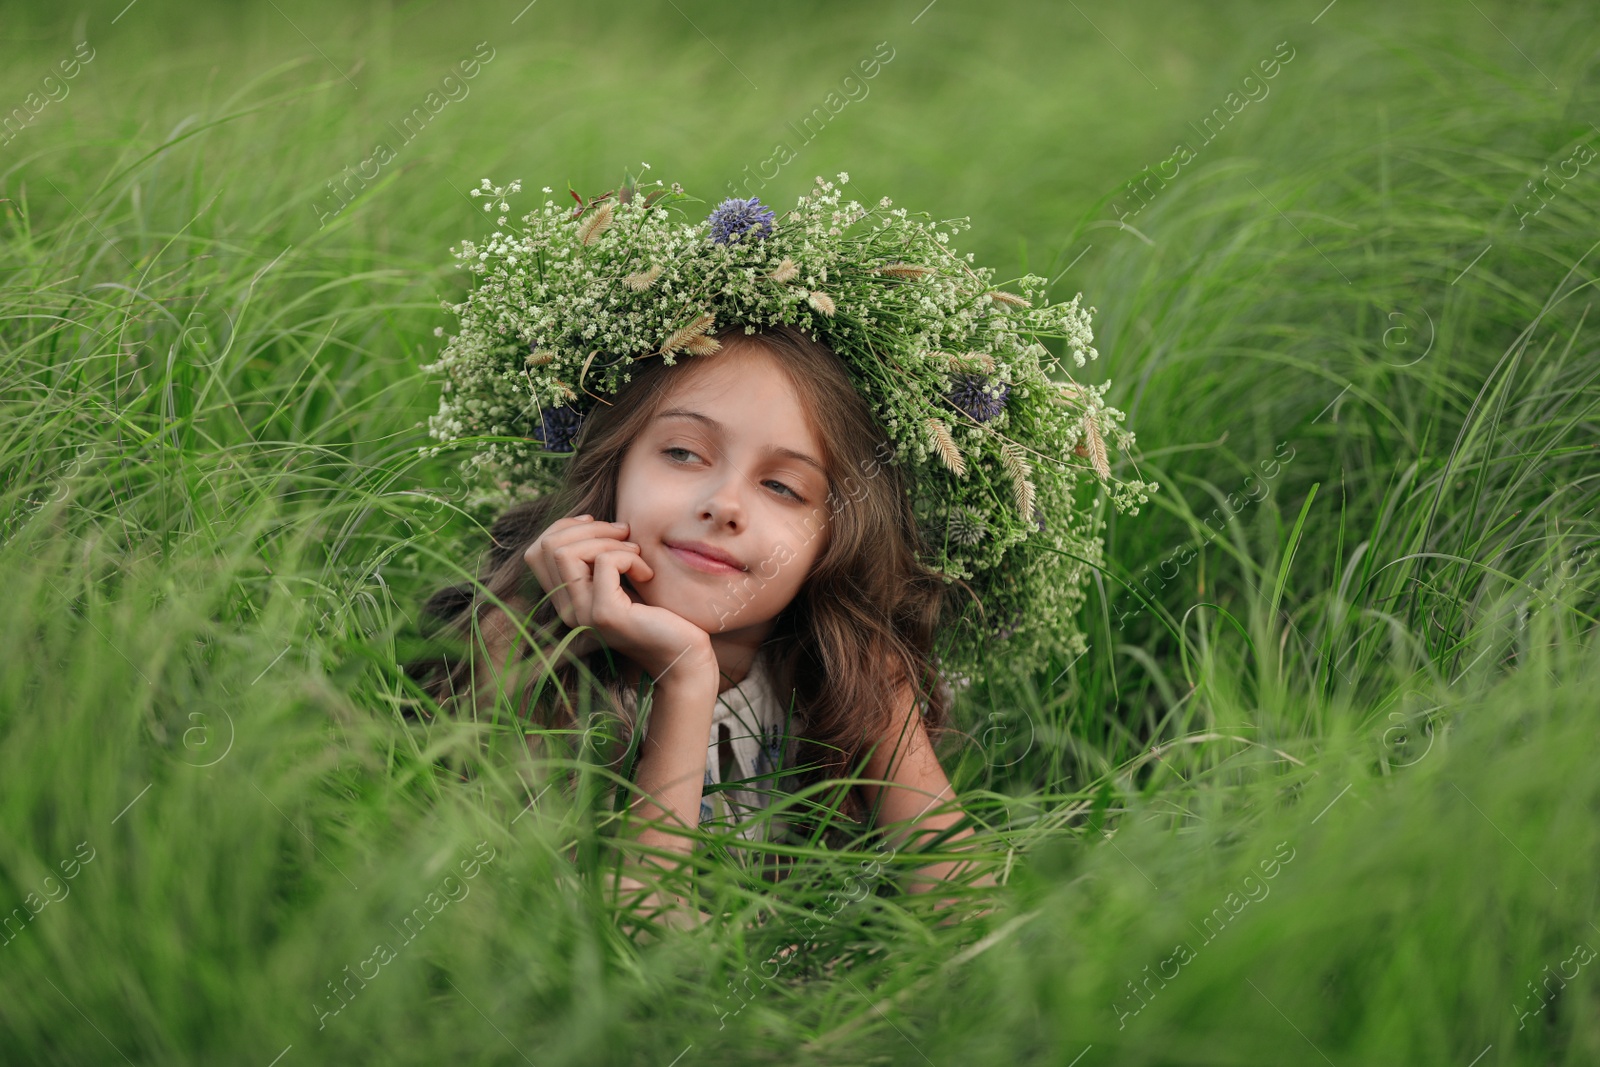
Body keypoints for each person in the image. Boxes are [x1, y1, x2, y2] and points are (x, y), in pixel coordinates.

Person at [405, 170, 1152, 932]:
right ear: (613, 465)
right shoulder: (531, 662)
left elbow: (968, 912)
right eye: (685, 453)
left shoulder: (851, 676)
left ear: (839, 536)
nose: (725, 504)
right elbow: (635, 942)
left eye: (785, 489)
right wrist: (685, 677)